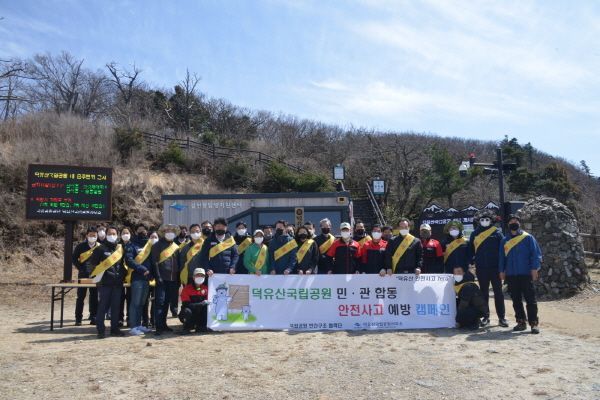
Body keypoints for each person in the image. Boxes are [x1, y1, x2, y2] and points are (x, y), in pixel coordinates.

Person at [499, 214, 542, 334]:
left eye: (516, 220)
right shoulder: (504, 240)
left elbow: (536, 254)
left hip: (526, 273)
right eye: (511, 221)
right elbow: (502, 257)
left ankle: (533, 324)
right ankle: (521, 322)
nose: (514, 222)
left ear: (519, 223)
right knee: (516, 300)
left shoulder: (528, 238)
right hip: (511, 275)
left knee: (530, 299)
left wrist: (534, 269)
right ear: (508, 224)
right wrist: (501, 271)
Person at [468, 211, 508, 328]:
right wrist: (471, 264)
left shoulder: (497, 233)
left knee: (498, 293)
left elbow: (503, 251)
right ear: (479, 221)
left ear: (491, 220)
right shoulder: (474, 234)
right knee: (483, 293)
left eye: (487, 219)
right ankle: (486, 317)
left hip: (495, 268)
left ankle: (502, 318)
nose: (484, 221)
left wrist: (503, 268)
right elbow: (470, 250)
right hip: (481, 268)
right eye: (482, 219)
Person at [91, 226, 126, 338]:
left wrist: (122, 275)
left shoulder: (120, 249)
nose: (112, 235)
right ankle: (100, 330)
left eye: (114, 233)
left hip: (117, 283)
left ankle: (114, 329)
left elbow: (123, 266)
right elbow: (92, 265)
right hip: (105, 283)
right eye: (110, 233)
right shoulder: (100, 249)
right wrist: (100, 277)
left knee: (116, 307)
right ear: (106, 235)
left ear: (117, 235)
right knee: (103, 307)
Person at [151, 224, 180, 335]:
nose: (170, 232)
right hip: (162, 279)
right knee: (160, 303)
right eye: (167, 230)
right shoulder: (157, 245)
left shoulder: (176, 247)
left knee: (167, 302)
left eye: (172, 230)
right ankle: (158, 327)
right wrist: (158, 277)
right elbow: (155, 262)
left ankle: (164, 325)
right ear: (163, 232)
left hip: (173, 280)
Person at [123, 226, 153, 336]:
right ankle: (133, 326)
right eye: (139, 230)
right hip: (137, 278)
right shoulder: (131, 245)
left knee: (142, 303)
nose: (142, 232)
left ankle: (139, 324)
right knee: (135, 303)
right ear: (136, 231)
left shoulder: (149, 245)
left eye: (144, 230)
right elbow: (129, 260)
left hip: (147, 279)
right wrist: (142, 269)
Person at [72, 226, 100, 325]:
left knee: (94, 297)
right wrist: (81, 268)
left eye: (94, 235)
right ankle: (78, 318)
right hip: (83, 275)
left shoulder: (100, 246)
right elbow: (74, 259)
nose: (92, 237)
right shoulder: (80, 246)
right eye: (91, 235)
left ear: (97, 236)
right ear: (87, 235)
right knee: (80, 297)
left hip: (95, 275)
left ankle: (94, 317)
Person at [178, 268, 210, 334]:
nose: (200, 277)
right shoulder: (186, 289)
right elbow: (187, 305)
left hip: (200, 314)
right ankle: (187, 327)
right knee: (187, 311)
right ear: (193, 277)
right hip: (190, 313)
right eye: (198, 275)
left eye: (202, 275)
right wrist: (201, 304)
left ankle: (201, 326)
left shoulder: (206, 289)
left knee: (207, 308)